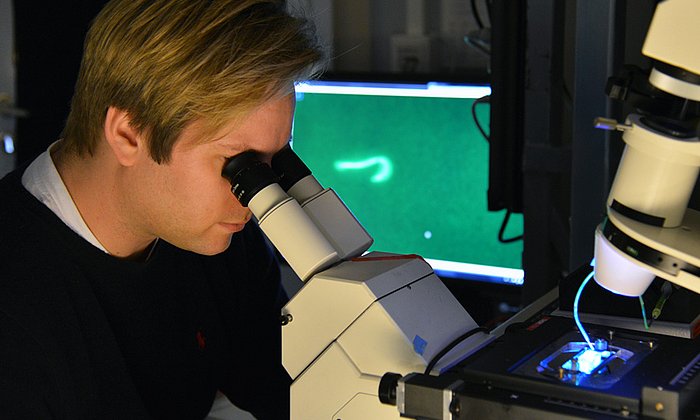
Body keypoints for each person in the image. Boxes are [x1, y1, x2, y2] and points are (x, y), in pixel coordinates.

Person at [0, 0, 324, 418]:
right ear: (128, 134)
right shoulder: (16, 313)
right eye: (238, 164)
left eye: (275, 161)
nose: (258, 196)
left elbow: (287, 393)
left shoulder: (222, 240)